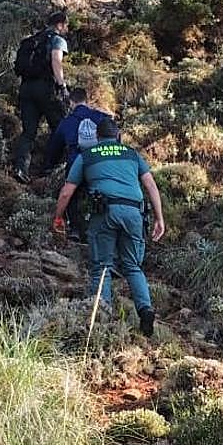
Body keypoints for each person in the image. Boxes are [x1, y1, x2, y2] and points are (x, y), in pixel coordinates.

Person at [52, 119, 164, 336]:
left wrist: (58, 217)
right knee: (132, 266)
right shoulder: (132, 154)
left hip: (105, 212)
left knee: (101, 267)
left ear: (97, 137)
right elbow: (151, 185)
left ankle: (101, 319)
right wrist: (160, 218)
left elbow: (67, 191)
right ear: (118, 135)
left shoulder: (88, 155)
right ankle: (145, 310)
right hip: (134, 213)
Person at [43, 88, 118, 241]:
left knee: (72, 193)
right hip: (99, 164)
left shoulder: (67, 121)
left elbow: (54, 146)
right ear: (86, 100)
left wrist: (48, 164)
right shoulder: (101, 117)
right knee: (100, 194)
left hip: (75, 161)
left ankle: (75, 229)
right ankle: (101, 228)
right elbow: (115, 135)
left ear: (71, 102)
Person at [13, 10, 70, 183]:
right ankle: (49, 167)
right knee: (60, 127)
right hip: (45, 88)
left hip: (26, 88)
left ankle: (20, 169)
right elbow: (56, 61)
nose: (67, 28)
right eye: (66, 25)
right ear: (59, 24)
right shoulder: (57, 39)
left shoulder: (32, 40)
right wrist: (62, 86)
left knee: (28, 132)